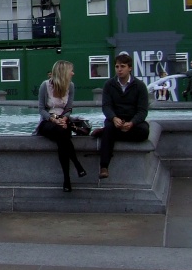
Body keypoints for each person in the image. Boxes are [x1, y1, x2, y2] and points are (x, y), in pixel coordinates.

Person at [97, 53, 150, 180]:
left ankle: (105, 133)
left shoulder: (140, 86)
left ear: (130, 68)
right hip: (115, 119)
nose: (119, 69)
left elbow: (142, 110)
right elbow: (106, 106)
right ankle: (104, 166)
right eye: (117, 66)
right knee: (109, 128)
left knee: (144, 131)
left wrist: (132, 123)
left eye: (122, 66)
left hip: (132, 121)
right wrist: (114, 118)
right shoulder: (109, 85)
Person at [37, 60, 86, 192]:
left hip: (63, 121)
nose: (73, 73)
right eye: (71, 70)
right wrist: (53, 119)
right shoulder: (45, 85)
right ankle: (77, 164)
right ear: (63, 73)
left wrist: (64, 118)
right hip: (47, 122)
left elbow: (69, 108)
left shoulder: (70, 86)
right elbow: (41, 109)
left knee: (62, 137)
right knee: (62, 134)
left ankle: (67, 180)